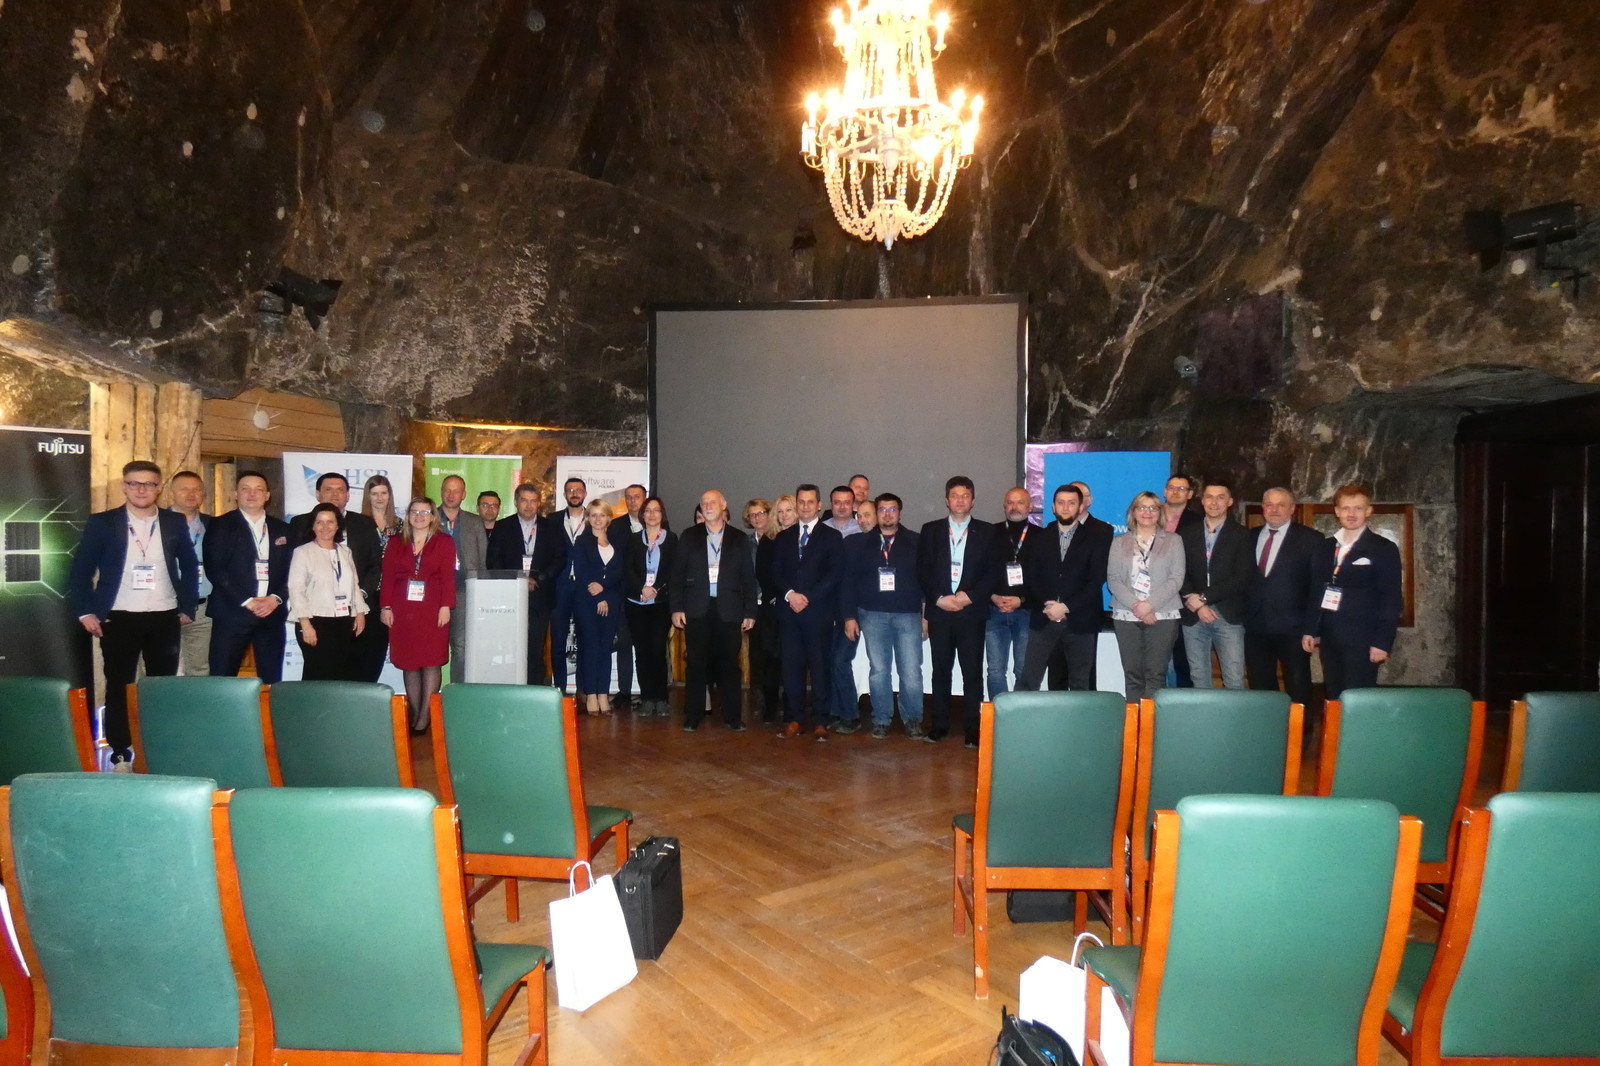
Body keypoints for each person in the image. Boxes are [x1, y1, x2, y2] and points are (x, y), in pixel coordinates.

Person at [68, 460, 200, 768]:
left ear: (159, 488)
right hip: (118, 616)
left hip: (164, 615)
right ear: (124, 486)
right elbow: (81, 570)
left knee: (161, 687)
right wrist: (86, 611)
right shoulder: (103, 522)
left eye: (149, 484)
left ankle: (159, 746)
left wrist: (188, 605)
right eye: (134, 483)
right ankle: (120, 750)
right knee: (118, 685)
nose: (141, 490)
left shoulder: (173, 521)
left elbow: (190, 564)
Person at [917, 475, 999, 748]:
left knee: (972, 673)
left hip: (970, 613)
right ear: (946, 500)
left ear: (973, 501)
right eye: (955, 496)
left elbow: (993, 572)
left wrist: (969, 597)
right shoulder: (930, 530)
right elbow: (922, 570)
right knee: (940, 672)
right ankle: (939, 726)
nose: (960, 500)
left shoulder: (988, 532)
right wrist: (938, 598)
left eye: (965, 496)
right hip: (940, 611)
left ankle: (973, 730)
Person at [1302, 484, 1403, 698]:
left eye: (1358, 508)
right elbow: (1316, 590)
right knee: (1333, 695)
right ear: (1337, 511)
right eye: (1346, 508)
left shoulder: (1383, 548)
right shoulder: (1325, 547)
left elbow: (1391, 599)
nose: (1351, 514)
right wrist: (1311, 629)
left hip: (1363, 638)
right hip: (1330, 637)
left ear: (1369, 511)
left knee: (1359, 698)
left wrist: (1382, 642)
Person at [670, 489, 757, 731]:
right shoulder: (689, 536)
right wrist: (676, 607)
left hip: (729, 610)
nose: (708, 506)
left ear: (723, 505)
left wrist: (750, 611)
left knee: (729, 665)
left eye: (712, 502)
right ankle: (693, 715)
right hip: (696, 609)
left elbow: (748, 578)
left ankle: (732, 716)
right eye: (704, 503)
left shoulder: (738, 538)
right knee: (696, 665)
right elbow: (676, 575)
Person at [841, 493, 924, 738]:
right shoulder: (858, 543)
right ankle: (881, 718)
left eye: (892, 509)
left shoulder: (916, 541)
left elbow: (926, 580)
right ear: (876, 513)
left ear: (900, 513)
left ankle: (913, 719)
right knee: (879, 670)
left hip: (908, 614)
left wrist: (926, 615)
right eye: (883, 510)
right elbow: (848, 582)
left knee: (911, 671)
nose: (887, 514)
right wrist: (849, 616)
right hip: (872, 614)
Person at [1017, 483, 1113, 691]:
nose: (1066, 507)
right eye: (1061, 503)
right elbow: (1031, 577)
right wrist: (1049, 605)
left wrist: (1066, 606)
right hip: (1044, 617)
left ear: (1080, 507)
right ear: (1053, 507)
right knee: (1029, 680)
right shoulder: (1039, 537)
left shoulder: (1095, 538)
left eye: (1071, 503)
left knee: (1081, 684)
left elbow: (1096, 579)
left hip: (1081, 620)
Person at [290, 472, 383, 681]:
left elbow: (357, 582)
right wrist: (305, 624)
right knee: (317, 676)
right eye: (320, 522)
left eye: (330, 522)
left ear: (338, 525)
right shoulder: (302, 552)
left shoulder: (345, 551)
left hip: (344, 620)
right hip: (315, 620)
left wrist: (359, 612)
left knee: (344, 674)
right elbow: (296, 589)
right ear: (313, 525)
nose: (325, 527)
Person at [204, 471, 292, 682]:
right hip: (232, 613)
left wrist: (276, 598)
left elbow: (293, 570)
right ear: (236, 493)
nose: (252, 494)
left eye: (258, 489)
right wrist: (247, 601)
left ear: (267, 495)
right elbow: (215, 569)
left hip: (271, 614)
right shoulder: (219, 525)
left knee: (271, 680)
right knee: (222, 678)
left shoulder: (283, 528)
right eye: (246, 489)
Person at [772, 484, 843, 741]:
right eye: (801, 502)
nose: (805, 506)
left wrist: (808, 597)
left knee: (820, 667)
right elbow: (776, 572)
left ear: (819, 505)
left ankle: (821, 721)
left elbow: (834, 574)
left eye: (810, 502)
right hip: (789, 612)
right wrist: (790, 594)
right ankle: (795, 718)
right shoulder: (783, 537)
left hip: (818, 612)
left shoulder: (832, 536)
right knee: (792, 667)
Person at [380, 497, 456, 732]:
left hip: (433, 609)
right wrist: (385, 607)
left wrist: (446, 606)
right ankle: (415, 711)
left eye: (425, 512)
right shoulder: (396, 542)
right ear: (408, 515)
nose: (419, 516)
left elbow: (448, 578)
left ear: (433, 516)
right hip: (402, 610)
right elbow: (388, 577)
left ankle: (425, 716)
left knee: (431, 662)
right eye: (414, 511)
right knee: (409, 663)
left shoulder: (444, 542)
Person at [1245, 487, 1320, 710]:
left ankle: (1301, 731)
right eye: (1269, 505)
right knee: (1261, 688)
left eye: (1281, 505)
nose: (1274, 509)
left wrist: (1313, 628)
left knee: (1298, 688)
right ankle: (1267, 729)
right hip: (1255, 627)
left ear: (1292, 509)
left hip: (1294, 628)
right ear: (1263, 508)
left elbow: (1318, 588)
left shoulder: (1311, 539)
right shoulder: (1248, 537)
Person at [1108, 491, 1186, 702]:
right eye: (1142, 507)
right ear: (1133, 512)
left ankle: (1151, 721)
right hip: (1126, 614)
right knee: (1133, 674)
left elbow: (1176, 578)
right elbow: (1113, 579)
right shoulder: (1119, 541)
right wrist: (1137, 605)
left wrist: (1149, 605)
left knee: (1156, 675)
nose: (1147, 512)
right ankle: (1134, 719)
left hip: (1163, 614)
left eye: (1153, 508)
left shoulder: (1173, 540)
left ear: (1160, 513)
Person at [485, 483, 567, 684]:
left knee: (535, 648)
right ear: (516, 502)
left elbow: (560, 559)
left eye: (533, 501)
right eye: (524, 500)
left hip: (540, 596)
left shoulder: (552, 527)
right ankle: (510, 690)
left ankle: (533, 691)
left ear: (539, 503)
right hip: (509, 597)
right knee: (509, 647)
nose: (529, 506)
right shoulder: (502, 527)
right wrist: (518, 581)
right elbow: (493, 561)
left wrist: (538, 579)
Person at [1178, 481, 1252, 689]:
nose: (1214, 502)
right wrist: (1197, 604)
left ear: (1229, 502)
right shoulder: (1186, 534)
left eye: (1220, 497)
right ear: (1202, 501)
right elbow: (1178, 572)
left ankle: (1232, 713)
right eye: (1209, 497)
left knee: (1234, 678)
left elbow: (1241, 577)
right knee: (1199, 677)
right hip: (1193, 614)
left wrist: (1204, 599)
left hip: (1228, 613)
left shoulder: (1243, 535)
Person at [572, 498, 625, 715]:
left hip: (611, 601)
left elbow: (619, 572)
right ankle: (591, 694)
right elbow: (582, 572)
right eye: (593, 515)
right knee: (591, 648)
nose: (597, 519)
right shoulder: (581, 542)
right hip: (587, 601)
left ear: (608, 518)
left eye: (602, 515)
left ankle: (603, 693)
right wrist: (598, 596)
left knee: (605, 649)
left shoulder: (616, 542)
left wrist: (603, 588)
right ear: (588, 518)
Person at [625, 496, 677, 716]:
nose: (652, 514)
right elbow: (628, 569)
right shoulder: (633, 539)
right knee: (642, 651)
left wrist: (655, 588)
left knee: (657, 649)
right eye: (648, 510)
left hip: (660, 603)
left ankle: (661, 698)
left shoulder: (671, 539)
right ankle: (647, 698)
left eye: (656, 510)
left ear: (662, 514)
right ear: (642, 515)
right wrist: (641, 588)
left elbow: (673, 569)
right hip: (636, 603)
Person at [437, 474, 488, 681]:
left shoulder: (474, 522)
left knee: (461, 646)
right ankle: (431, 693)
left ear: (464, 494)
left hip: (464, 591)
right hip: (434, 592)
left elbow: (483, 559)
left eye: (456, 491)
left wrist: (482, 591)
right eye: (447, 490)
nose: (451, 495)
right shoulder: (428, 518)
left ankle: (457, 691)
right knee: (433, 645)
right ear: (441, 492)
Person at [986, 486, 1036, 699]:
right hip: (994, 610)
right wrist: (992, 596)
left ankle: (1020, 714)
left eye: (1020, 502)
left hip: (1027, 611)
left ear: (1030, 507)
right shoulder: (990, 533)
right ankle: (999, 713)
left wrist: (1021, 600)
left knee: (1024, 669)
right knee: (995, 670)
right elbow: (980, 571)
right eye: (1010, 502)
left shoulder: (1042, 536)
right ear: (1004, 506)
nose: (1015, 507)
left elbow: (1044, 578)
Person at [822, 484, 864, 732]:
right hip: (826, 606)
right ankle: (835, 711)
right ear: (831, 504)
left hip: (852, 609)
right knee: (829, 660)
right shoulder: (821, 531)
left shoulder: (862, 532)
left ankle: (851, 714)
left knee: (840, 660)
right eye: (837, 502)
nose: (841, 506)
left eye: (846, 502)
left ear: (853, 505)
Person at [165, 470, 212, 676]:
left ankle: (196, 700)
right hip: (163, 606)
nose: (191, 494)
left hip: (203, 609)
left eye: (197, 490)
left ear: (203, 494)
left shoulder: (214, 525)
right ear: (171, 493)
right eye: (184, 489)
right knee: (157, 671)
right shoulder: (157, 522)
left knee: (200, 669)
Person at [608, 483, 648, 708]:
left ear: (645, 499)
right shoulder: (615, 526)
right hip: (624, 593)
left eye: (637, 497)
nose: (633, 501)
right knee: (624, 643)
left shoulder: (657, 523)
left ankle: (647, 692)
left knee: (646, 646)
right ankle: (624, 692)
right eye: (629, 497)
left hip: (650, 595)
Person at [361, 473, 403, 680]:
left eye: (384, 493)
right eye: (375, 493)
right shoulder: (358, 523)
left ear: (390, 495)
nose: (379, 498)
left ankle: (371, 687)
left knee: (378, 647)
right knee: (359, 647)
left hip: (390, 595)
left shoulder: (400, 525)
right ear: (367, 496)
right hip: (364, 593)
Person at [743, 497, 781, 722]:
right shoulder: (744, 542)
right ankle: (759, 699)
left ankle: (774, 702)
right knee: (755, 655)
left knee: (773, 654)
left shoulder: (777, 540)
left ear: (769, 514)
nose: (757, 518)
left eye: (761, 513)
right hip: (751, 606)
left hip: (772, 605)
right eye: (752, 515)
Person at [551, 477, 589, 694]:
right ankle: (560, 689)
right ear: (564, 494)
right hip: (559, 587)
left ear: (585, 494)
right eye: (570, 490)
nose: (574, 493)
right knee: (558, 640)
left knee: (585, 638)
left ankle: (584, 689)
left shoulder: (594, 518)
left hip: (585, 588)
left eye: (578, 490)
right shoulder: (552, 520)